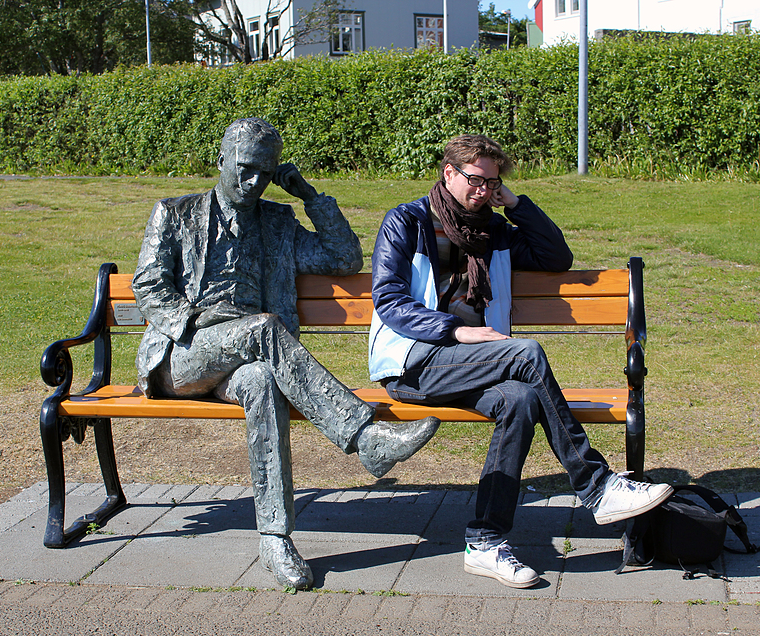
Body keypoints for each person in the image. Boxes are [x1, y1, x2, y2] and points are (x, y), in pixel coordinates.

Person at [132, 118, 439, 591]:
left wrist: (309, 197)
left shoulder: (277, 223)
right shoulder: (174, 214)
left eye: (265, 173)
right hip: (184, 354)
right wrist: (198, 321)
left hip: (247, 360)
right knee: (262, 331)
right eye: (245, 168)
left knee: (260, 380)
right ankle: (365, 438)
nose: (254, 182)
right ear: (221, 160)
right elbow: (149, 285)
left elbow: (344, 259)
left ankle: (275, 538)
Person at [368, 134, 673, 589]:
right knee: (526, 352)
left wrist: (514, 203)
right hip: (415, 363)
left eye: (492, 183)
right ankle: (596, 485)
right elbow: (388, 298)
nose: (483, 191)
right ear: (448, 172)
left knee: (521, 400)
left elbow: (556, 257)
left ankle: (485, 542)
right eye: (475, 180)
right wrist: (453, 329)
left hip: (473, 362)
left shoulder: (494, 230)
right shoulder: (407, 221)